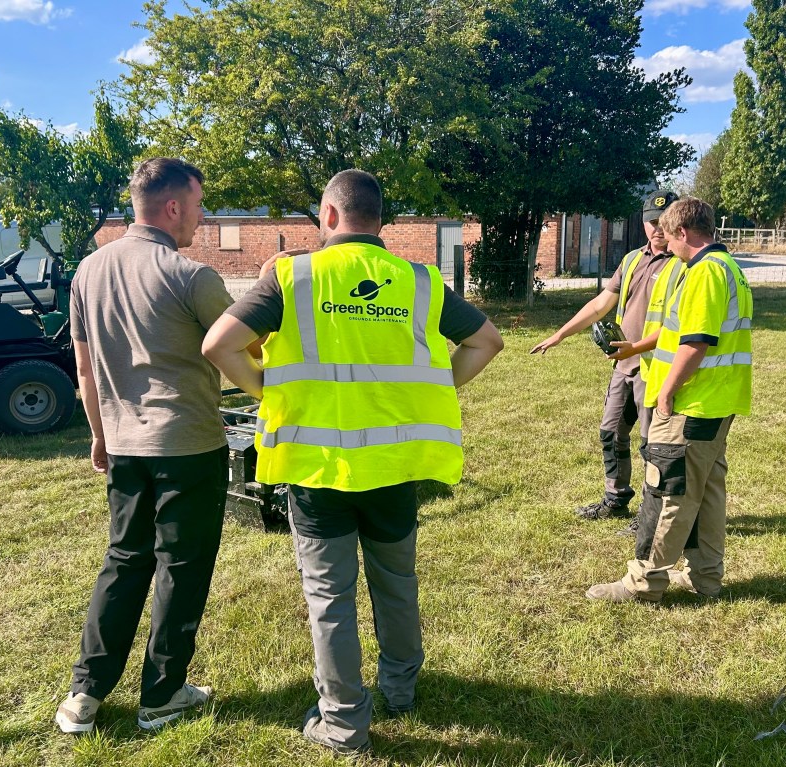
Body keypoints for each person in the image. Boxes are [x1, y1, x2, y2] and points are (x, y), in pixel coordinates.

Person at [202, 169, 504, 754]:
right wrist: (436, 388)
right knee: (396, 581)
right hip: (394, 464)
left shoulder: (292, 275)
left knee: (330, 597)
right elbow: (488, 341)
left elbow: (218, 344)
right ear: (379, 220)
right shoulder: (418, 280)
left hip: (316, 470)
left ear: (330, 216)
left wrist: (267, 390)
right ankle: (402, 689)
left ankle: (342, 721)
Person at [54, 158, 234, 734]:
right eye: (200, 206)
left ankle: (85, 693)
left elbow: (84, 367)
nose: (201, 219)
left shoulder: (87, 271)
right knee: (180, 568)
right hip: (189, 445)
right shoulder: (192, 276)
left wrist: (100, 434)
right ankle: (161, 695)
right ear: (173, 206)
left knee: (123, 561)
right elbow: (243, 348)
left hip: (125, 444)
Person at [586, 197, 752, 604]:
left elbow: (694, 344)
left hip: (690, 405)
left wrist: (665, 392)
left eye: (668, 233)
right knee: (707, 492)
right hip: (717, 403)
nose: (664, 243)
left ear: (682, 232)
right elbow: (680, 332)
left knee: (667, 492)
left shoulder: (704, 273)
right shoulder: (727, 267)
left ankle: (644, 582)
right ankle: (705, 578)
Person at [530, 190, 680, 530]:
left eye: (664, 222)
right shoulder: (630, 260)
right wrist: (560, 334)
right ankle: (616, 499)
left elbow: (679, 326)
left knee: (651, 444)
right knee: (611, 432)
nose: (658, 229)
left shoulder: (682, 265)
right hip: (623, 365)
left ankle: (650, 512)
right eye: (652, 222)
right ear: (643, 222)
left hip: (655, 369)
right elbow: (601, 304)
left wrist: (638, 348)